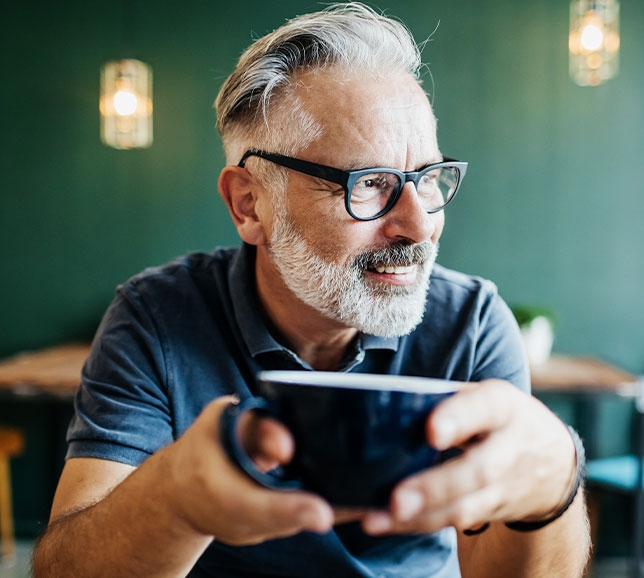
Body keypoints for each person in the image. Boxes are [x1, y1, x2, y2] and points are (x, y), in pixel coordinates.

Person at [32, 3, 590, 577]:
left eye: (427, 178)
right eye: (369, 185)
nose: (420, 225)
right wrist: (177, 498)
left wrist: (552, 489)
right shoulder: (157, 315)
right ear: (249, 204)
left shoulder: (469, 323)